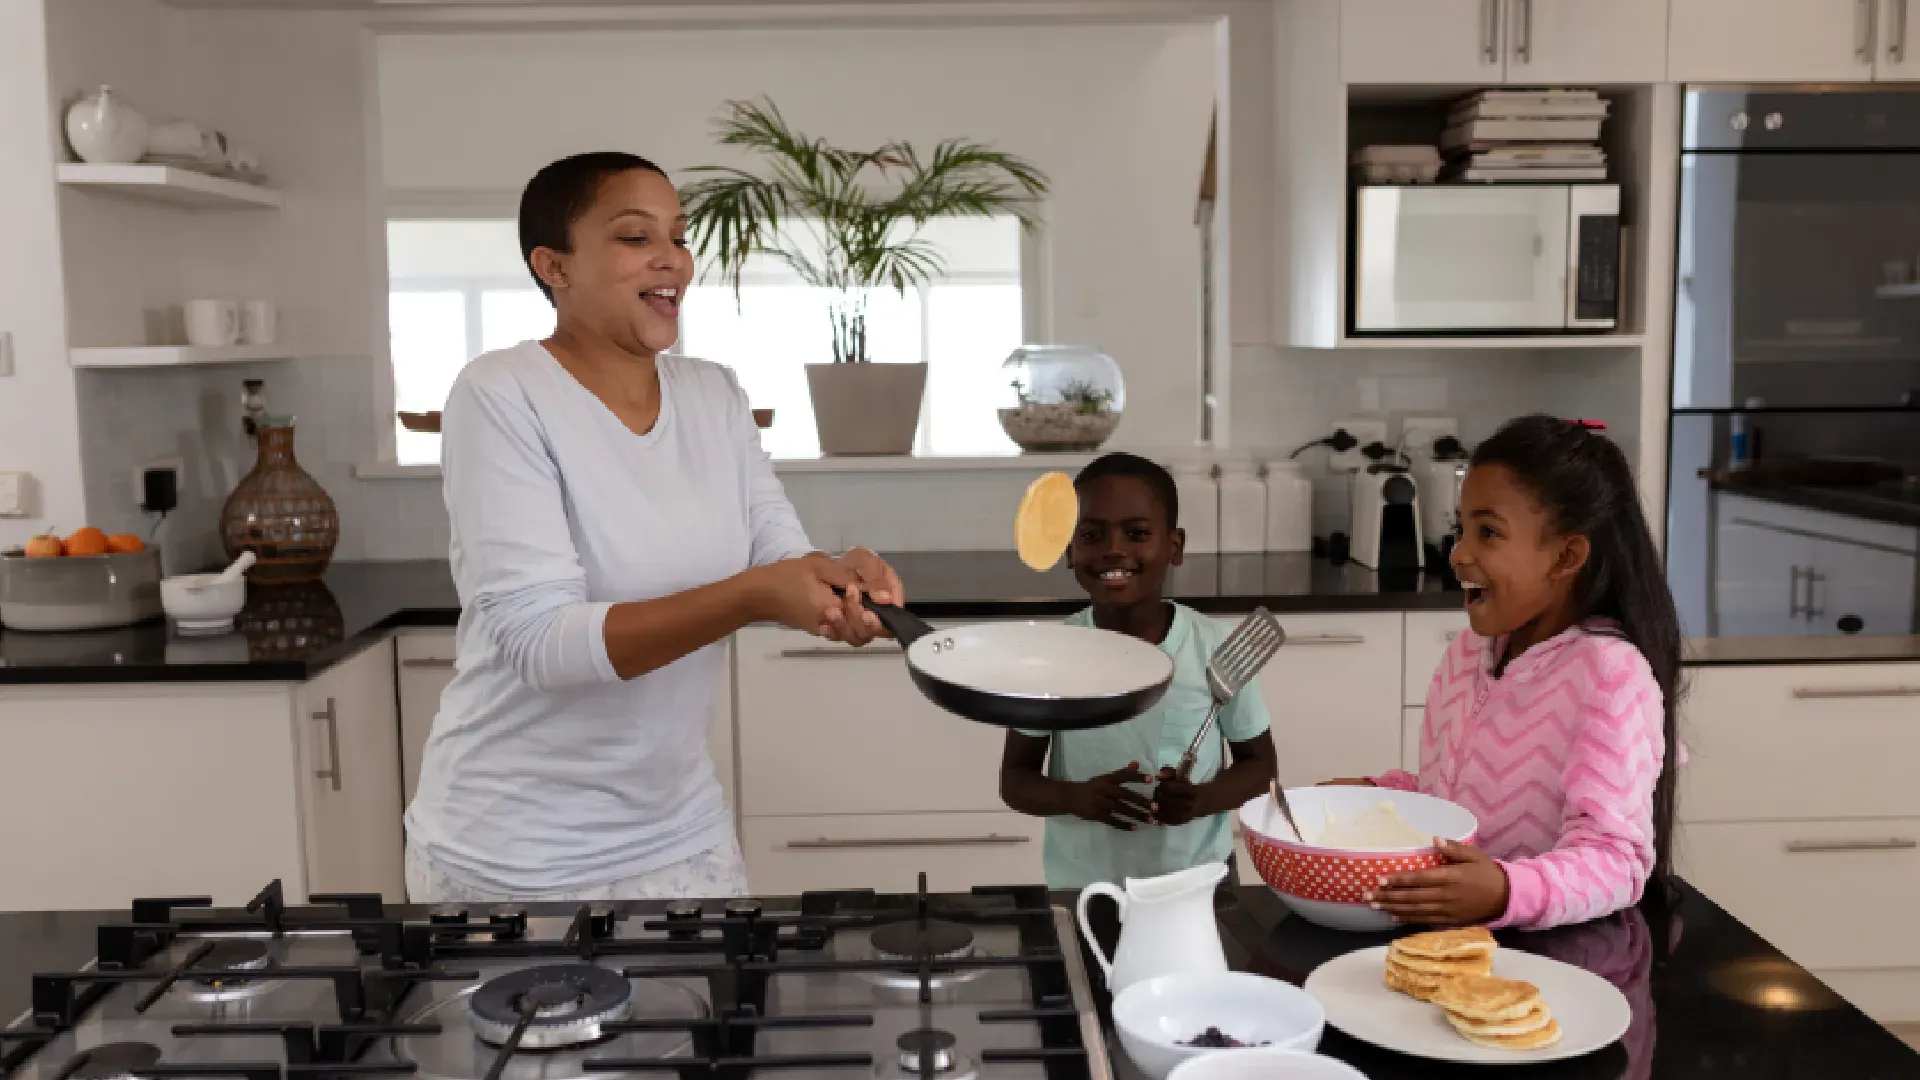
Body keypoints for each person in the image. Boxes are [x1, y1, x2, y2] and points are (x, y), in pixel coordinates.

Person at [405, 151, 905, 902]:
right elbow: (542, 644)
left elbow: (777, 549)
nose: (672, 257)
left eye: (677, 234)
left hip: (680, 832)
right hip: (515, 853)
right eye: (636, 237)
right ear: (555, 267)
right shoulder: (502, 394)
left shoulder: (714, 395)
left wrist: (840, 582)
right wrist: (755, 594)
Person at [1338, 415, 1681, 931]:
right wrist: (1380, 794)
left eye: (1488, 532)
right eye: (1460, 529)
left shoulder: (1610, 676)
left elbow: (1616, 859)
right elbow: (1455, 797)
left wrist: (1505, 891)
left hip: (1558, 962)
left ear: (1566, 556)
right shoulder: (1469, 653)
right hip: (1461, 945)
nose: (1459, 553)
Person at [999, 453, 1277, 889]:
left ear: (1175, 546)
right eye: (1091, 534)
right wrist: (1075, 797)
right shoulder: (1050, 657)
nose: (1114, 548)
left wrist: (1200, 800)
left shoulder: (1217, 649)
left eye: (1137, 533)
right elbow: (1015, 781)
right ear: (1069, 551)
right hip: (1084, 887)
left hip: (1198, 882)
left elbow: (1260, 768)